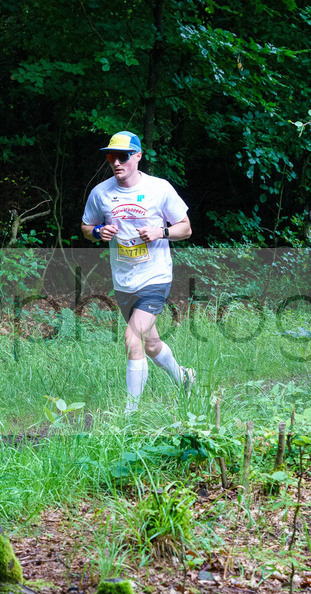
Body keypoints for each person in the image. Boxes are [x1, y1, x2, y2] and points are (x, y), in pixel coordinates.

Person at [81, 131, 195, 413]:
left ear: (138, 156)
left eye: (123, 156)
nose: (116, 162)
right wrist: (98, 231)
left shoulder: (160, 189)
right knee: (151, 344)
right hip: (123, 280)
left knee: (132, 339)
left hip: (155, 276)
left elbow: (186, 227)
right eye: (111, 157)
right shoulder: (101, 193)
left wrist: (161, 232)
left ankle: (128, 416)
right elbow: (86, 228)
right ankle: (184, 378)